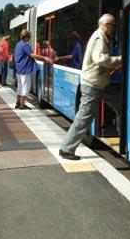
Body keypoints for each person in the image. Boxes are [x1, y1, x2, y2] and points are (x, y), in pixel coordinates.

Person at [59, 14, 121, 160]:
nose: (114, 29)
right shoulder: (100, 38)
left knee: (120, 104)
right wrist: (121, 59)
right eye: (113, 26)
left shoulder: (100, 36)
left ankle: (123, 136)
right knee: (84, 117)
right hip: (93, 84)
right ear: (106, 25)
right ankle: (66, 149)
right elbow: (100, 59)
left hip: (100, 83)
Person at [13, 29, 47, 109]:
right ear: (26, 37)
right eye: (29, 37)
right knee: (25, 86)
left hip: (18, 68)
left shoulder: (18, 44)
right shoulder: (25, 45)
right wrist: (44, 57)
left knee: (20, 86)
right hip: (25, 68)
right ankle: (22, 104)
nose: (29, 39)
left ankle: (17, 102)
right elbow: (32, 55)